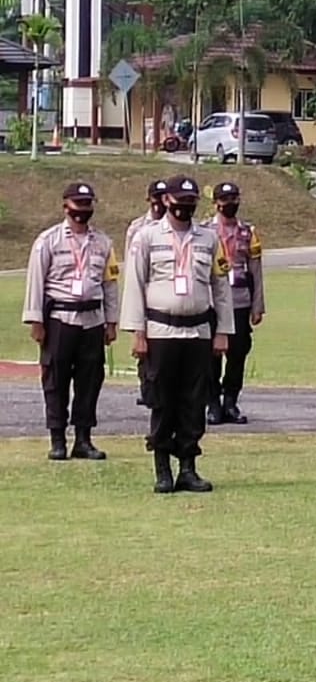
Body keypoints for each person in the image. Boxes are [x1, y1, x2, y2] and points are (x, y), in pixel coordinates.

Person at [121, 175, 234, 494]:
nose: (184, 207)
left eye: (190, 202)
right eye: (179, 201)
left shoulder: (209, 239)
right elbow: (134, 286)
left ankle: (188, 467)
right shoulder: (146, 237)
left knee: (193, 402)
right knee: (162, 401)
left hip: (198, 331)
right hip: (160, 331)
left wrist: (223, 330)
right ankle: (162, 468)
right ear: (166, 201)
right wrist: (137, 332)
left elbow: (221, 287)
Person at [22, 182, 120, 461]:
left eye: (87, 204)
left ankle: (83, 439)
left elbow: (110, 283)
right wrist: (35, 321)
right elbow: (35, 282)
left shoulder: (103, 242)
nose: (83, 210)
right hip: (59, 319)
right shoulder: (48, 240)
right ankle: (57, 439)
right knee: (56, 379)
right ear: (65, 206)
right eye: (78, 204)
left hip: (92, 320)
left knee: (90, 380)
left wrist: (111, 321)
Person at [204, 181, 264, 426]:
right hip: (211, 303)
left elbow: (256, 270)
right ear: (216, 203)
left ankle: (231, 401)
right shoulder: (205, 232)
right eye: (225, 200)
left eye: (234, 199)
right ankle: (213, 403)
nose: (230, 204)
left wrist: (258, 305)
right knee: (211, 356)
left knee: (238, 354)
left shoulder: (248, 232)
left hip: (240, 301)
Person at [126, 179, 168, 407]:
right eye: (156, 197)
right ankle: (146, 387)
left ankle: (160, 388)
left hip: (166, 292)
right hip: (144, 290)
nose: (159, 203)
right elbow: (131, 267)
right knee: (143, 344)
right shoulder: (138, 228)